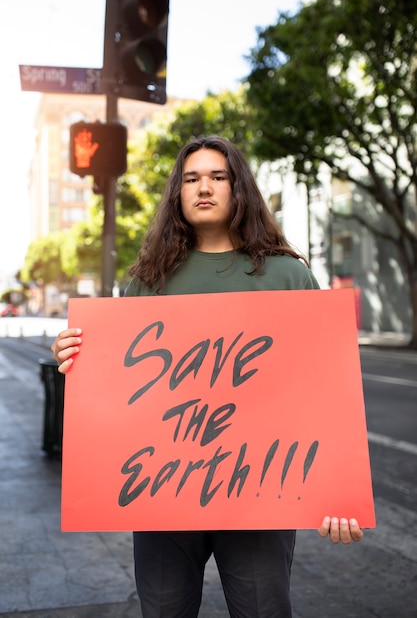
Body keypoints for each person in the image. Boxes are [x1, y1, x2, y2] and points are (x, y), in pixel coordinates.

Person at [52, 136, 364, 618]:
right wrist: (74, 355)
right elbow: (115, 390)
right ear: (177, 193)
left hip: (262, 495)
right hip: (163, 498)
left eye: (218, 177)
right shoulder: (148, 281)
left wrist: (339, 492)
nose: (205, 187)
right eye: (192, 178)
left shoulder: (287, 277)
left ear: (240, 189)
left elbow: (325, 391)